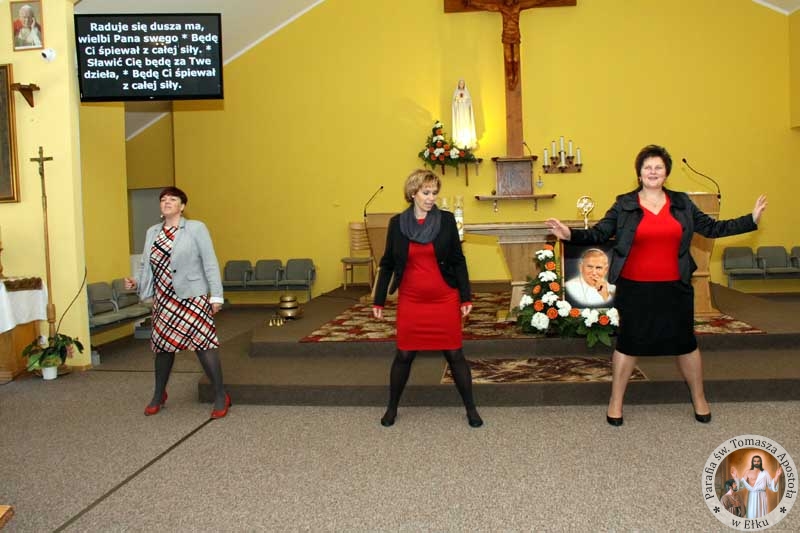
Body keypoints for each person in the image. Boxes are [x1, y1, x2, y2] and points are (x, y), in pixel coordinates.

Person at [546, 144, 767, 426]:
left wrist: (750, 219)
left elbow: (712, 228)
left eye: (658, 167)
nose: (653, 172)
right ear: (639, 173)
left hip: (675, 287)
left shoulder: (682, 203)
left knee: (685, 344)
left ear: (666, 173)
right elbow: (600, 232)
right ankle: (615, 402)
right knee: (629, 344)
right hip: (635, 288)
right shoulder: (625, 203)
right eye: (647, 167)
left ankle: (699, 398)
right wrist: (569, 234)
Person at [372, 169, 482, 428]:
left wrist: (465, 297)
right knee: (404, 355)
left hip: (444, 299)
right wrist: (379, 300)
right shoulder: (397, 224)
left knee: (454, 354)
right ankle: (392, 408)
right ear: (413, 193)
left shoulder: (446, 221)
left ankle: (471, 409)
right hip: (411, 301)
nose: (432, 197)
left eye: (434, 192)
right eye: (426, 192)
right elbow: (387, 264)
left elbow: (458, 260)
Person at [124, 187, 230, 419]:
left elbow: (210, 262)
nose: (167, 202)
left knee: (204, 346)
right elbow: (145, 265)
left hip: (192, 297)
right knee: (163, 348)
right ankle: (158, 394)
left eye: (172, 199)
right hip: (164, 300)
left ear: (182, 206)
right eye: (163, 199)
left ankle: (220, 394)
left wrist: (216, 295)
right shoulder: (152, 232)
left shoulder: (195, 228)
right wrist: (137, 281)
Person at [452, 79, 477, 150]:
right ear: (458, 84)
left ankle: (467, 143)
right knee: (459, 125)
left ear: (464, 85)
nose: (461, 84)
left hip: (465, 112)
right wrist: (457, 101)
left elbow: (470, 103)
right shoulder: (456, 92)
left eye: (462, 83)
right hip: (459, 112)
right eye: (460, 83)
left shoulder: (466, 92)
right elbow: (454, 104)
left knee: (466, 125)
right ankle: (459, 142)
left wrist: (465, 100)